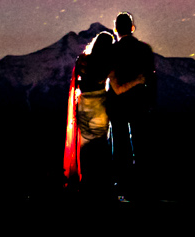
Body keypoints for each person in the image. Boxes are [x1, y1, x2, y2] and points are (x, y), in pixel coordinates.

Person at [104, 12, 156, 199]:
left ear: (116, 29)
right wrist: (150, 102)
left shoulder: (112, 51)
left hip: (116, 104)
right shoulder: (144, 49)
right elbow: (151, 78)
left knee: (119, 145)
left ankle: (122, 186)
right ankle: (142, 186)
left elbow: (110, 79)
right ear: (132, 28)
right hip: (139, 103)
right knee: (141, 144)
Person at [63, 30, 116, 189]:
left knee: (85, 144)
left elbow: (77, 83)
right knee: (100, 143)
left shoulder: (83, 61)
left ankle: (85, 179)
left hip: (83, 105)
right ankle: (101, 180)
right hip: (100, 104)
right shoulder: (108, 63)